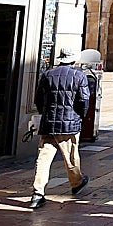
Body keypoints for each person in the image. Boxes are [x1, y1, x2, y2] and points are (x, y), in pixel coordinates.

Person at [28, 49, 89, 209]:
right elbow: (83, 100)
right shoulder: (79, 76)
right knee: (71, 156)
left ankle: (37, 193)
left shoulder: (47, 75)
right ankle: (76, 182)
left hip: (49, 123)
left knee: (43, 158)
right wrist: (79, 116)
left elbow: (38, 99)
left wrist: (44, 113)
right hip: (68, 124)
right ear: (73, 60)